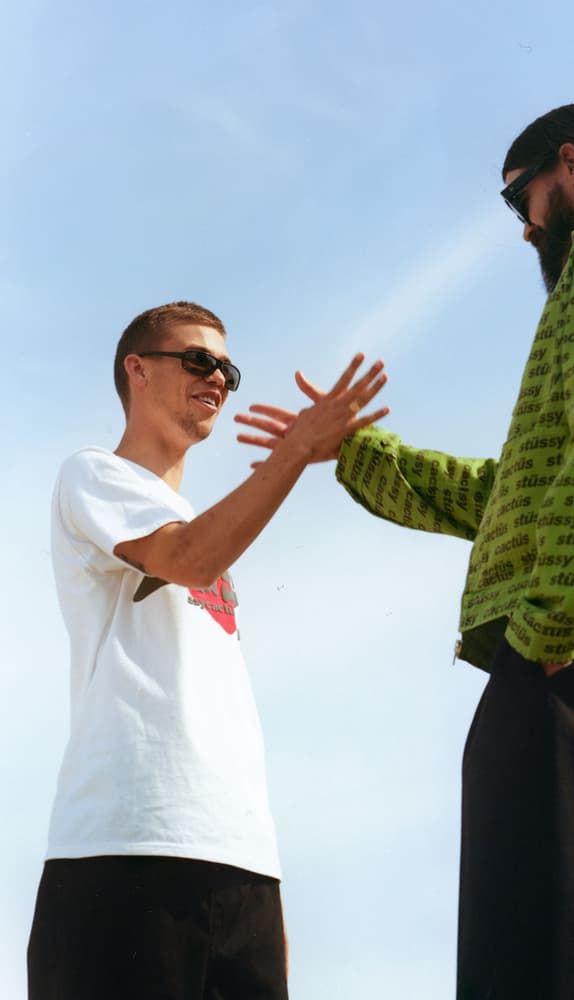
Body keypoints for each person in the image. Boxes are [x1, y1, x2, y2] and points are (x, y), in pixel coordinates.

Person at [236, 105, 574, 999]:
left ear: (571, 164)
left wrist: (558, 622)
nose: (524, 227)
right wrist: (357, 454)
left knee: (547, 963)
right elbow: (513, 499)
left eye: (522, 197)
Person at [28, 301, 388, 1000]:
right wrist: (292, 454)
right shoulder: (93, 477)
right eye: (197, 360)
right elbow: (187, 559)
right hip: (124, 853)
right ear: (137, 369)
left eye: (227, 367)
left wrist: (264, 882)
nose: (218, 378)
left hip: (239, 872)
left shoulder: (208, 528)